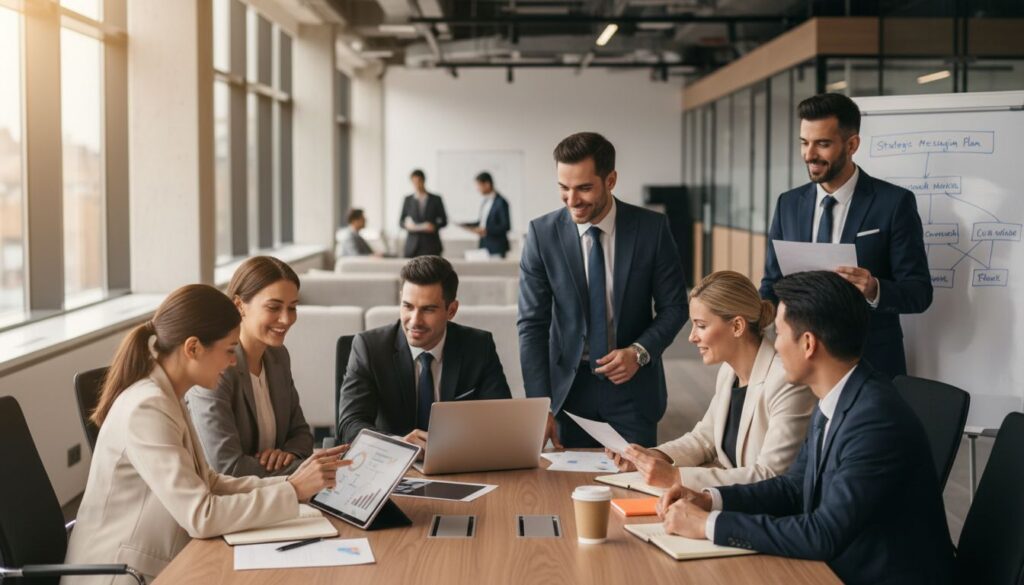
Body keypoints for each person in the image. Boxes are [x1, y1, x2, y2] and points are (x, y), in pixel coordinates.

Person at [657, 271, 954, 585]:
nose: (775, 345)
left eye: (781, 333)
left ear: (809, 344)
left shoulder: (874, 421)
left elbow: (823, 533)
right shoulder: (838, 395)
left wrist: (709, 525)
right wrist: (710, 499)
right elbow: (792, 487)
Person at [63, 285, 348, 584]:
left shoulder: (167, 394)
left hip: (161, 559)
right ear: (193, 348)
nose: (234, 361)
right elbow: (201, 515)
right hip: (122, 574)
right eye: (228, 350)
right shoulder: (147, 407)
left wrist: (291, 482)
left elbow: (208, 482)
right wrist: (293, 493)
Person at [518, 131, 688, 448]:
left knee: (635, 488)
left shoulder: (652, 229)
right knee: (565, 491)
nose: (572, 200)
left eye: (584, 188)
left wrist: (639, 352)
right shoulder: (541, 235)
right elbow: (532, 325)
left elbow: (675, 307)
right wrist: (538, 405)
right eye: (563, 188)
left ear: (610, 180)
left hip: (633, 389)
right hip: (567, 393)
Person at [760, 92, 932, 378]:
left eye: (822, 144)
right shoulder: (788, 204)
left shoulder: (894, 203)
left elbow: (919, 292)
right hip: (798, 364)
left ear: (852, 144)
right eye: (804, 143)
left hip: (871, 362)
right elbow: (771, 283)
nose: (809, 154)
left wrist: (874, 288)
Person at [607, 271, 815, 491]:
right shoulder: (728, 371)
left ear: (737, 326)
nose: (691, 336)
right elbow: (703, 439)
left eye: (701, 325)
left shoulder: (785, 381)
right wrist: (653, 457)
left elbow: (770, 475)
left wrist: (677, 477)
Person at [338, 255, 512, 457]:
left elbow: (501, 422)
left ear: (452, 310)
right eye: (408, 306)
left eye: (428, 309)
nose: (415, 321)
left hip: (458, 462)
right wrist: (400, 445)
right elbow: (350, 424)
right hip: (390, 465)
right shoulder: (370, 348)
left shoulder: (478, 346)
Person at [186, 256, 313, 478]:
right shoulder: (216, 367)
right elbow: (227, 467)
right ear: (239, 306)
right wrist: (304, 472)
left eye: (292, 308)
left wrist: (289, 455)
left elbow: (301, 433)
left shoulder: (278, 357)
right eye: (274, 307)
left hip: (271, 493)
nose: (286, 319)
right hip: (228, 502)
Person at [400, 169, 448, 257]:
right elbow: (401, 222)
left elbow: (444, 221)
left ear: (423, 180)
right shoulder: (408, 199)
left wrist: (434, 226)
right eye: (414, 182)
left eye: (418, 181)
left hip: (431, 245)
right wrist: (407, 226)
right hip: (412, 246)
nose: (416, 185)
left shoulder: (436, 199)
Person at [461, 171, 511, 257]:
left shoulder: (501, 202)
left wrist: (486, 230)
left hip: (496, 247)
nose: (477, 189)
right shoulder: (485, 201)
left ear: (487, 184)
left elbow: (506, 226)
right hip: (484, 245)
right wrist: (467, 225)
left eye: (479, 185)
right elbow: (482, 222)